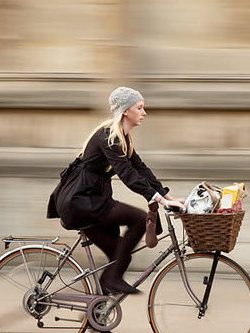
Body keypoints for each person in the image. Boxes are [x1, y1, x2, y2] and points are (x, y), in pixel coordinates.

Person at [48, 86, 185, 295]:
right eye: (139, 107)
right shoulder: (109, 138)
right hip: (82, 202)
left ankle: (97, 313)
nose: (144, 113)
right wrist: (161, 201)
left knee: (120, 255)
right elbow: (128, 175)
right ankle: (111, 282)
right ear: (125, 111)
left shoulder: (123, 138)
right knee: (139, 220)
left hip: (94, 201)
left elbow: (141, 169)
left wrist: (167, 196)